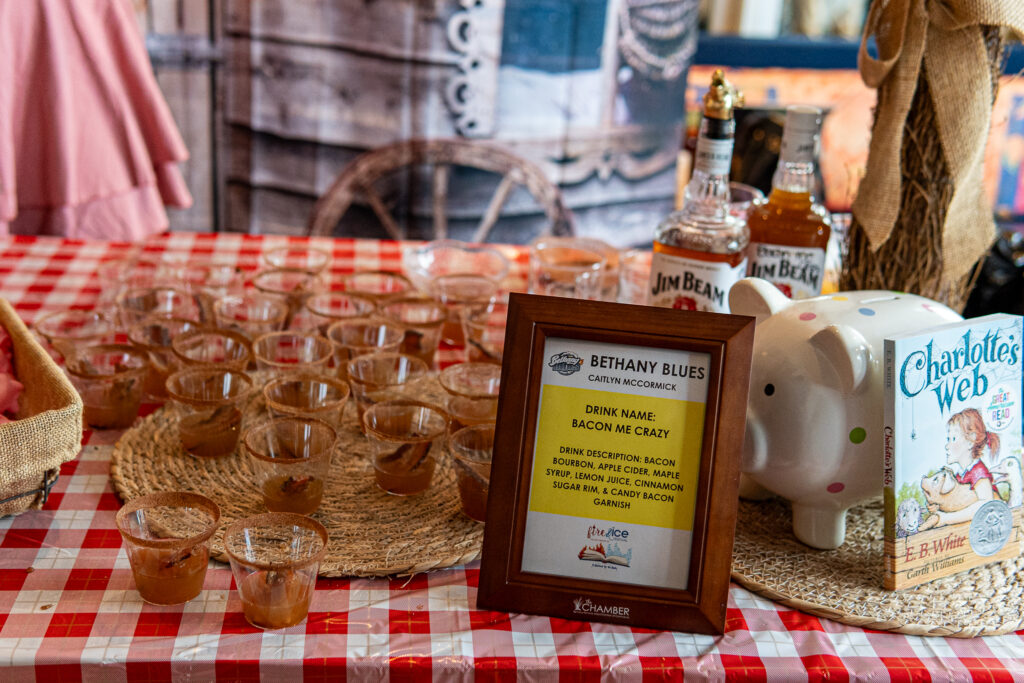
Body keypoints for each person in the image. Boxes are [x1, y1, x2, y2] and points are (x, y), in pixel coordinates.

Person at [928, 408, 999, 527]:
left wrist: (947, 518)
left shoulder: (978, 472)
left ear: (971, 441)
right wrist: (940, 507)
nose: (947, 446)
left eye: (953, 439)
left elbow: (986, 503)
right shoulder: (960, 475)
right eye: (948, 439)